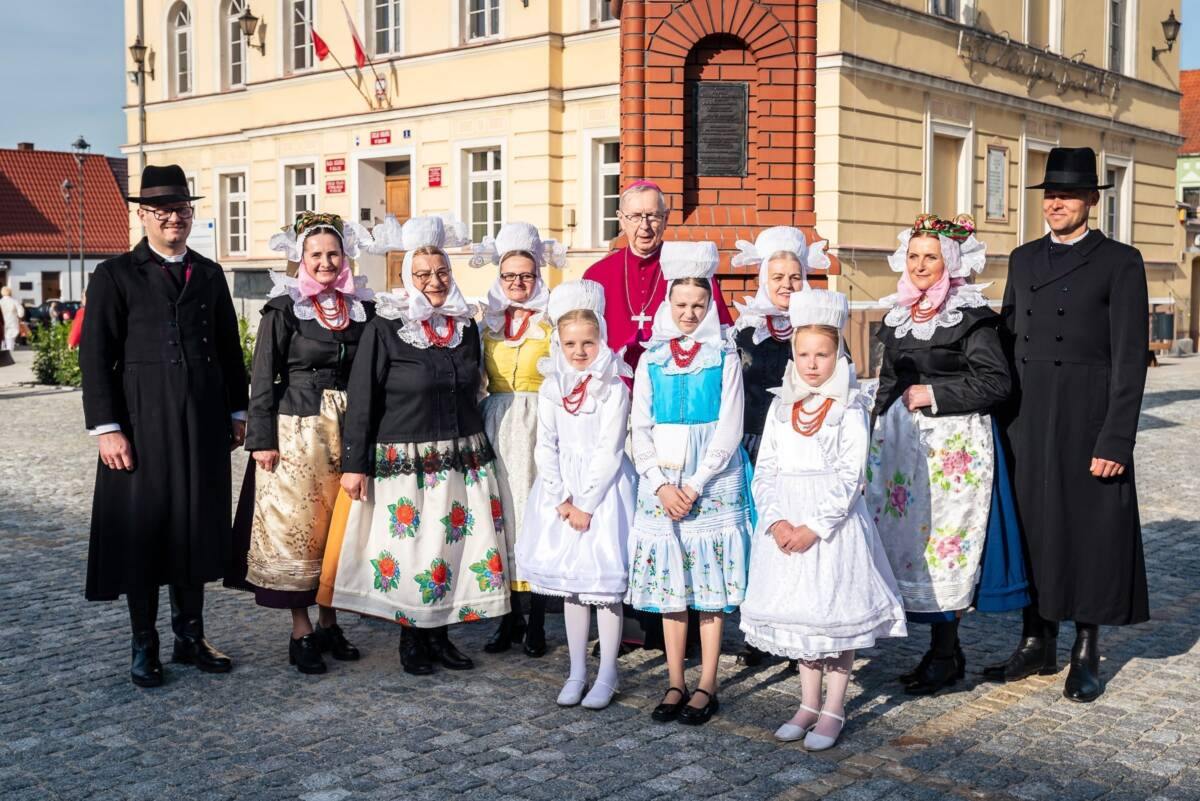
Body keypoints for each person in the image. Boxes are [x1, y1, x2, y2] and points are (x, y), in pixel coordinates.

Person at [991, 147, 1150, 702]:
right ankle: (1036, 640)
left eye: (1067, 195)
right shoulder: (1022, 257)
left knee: (1087, 530)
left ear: (1091, 201)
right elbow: (1006, 337)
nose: (1056, 203)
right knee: (1032, 523)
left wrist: (1117, 437)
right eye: (1050, 195)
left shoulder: (1121, 261)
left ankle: (1086, 647)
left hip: (1088, 410)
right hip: (1028, 413)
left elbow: (1130, 357)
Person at [79, 164, 247, 687]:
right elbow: (95, 356)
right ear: (144, 215)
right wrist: (107, 427)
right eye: (163, 210)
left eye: (182, 209)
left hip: (200, 421)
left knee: (193, 526)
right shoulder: (114, 275)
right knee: (144, 533)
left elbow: (227, 347)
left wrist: (237, 410)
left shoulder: (210, 272)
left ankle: (190, 637)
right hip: (141, 421)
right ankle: (144, 643)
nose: (175, 218)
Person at [333, 214, 510, 675]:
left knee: (450, 550)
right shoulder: (385, 327)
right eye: (423, 274)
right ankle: (413, 639)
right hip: (404, 460)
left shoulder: (465, 327)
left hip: (460, 456)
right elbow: (363, 398)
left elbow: (477, 387)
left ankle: (441, 637)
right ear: (407, 276)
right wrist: (355, 464)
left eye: (442, 272)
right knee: (414, 550)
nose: (434, 281)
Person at [867, 214, 1028, 696]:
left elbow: (997, 383)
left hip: (954, 449)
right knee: (909, 542)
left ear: (949, 263)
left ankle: (944, 652)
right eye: (914, 256)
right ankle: (941, 652)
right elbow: (890, 381)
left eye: (930, 257)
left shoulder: (970, 318)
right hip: (901, 450)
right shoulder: (899, 315)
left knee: (945, 542)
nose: (920, 265)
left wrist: (934, 394)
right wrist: (869, 429)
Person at [739, 287, 906, 751]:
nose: (813, 364)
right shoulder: (781, 405)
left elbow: (850, 475)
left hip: (828, 528)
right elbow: (766, 467)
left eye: (823, 354)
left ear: (838, 354)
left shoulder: (849, 408)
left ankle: (833, 706)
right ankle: (807, 702)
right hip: (785, 520)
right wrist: (775, 521)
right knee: (803, 619)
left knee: (832, 616)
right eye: (804, 354)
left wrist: (813, 526)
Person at [226, 212, 375, 674]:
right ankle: (301, 629)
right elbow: (263, 375)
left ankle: (330, 620)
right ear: (301, 259)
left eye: (334, 253)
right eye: (317, 254)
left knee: (339, 530)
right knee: (300, 531)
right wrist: (261, 438)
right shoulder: (283, 308)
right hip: (298, 430)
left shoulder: (362, 307)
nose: (327, 261)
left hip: (347, 430)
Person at [626, 241, 753, 726]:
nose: (689, 312)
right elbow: (639, 426)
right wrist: (658, 483)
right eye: (680, 304)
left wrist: (696, 483)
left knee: (709, 584)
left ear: (709, 305)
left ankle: (707, 682)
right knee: (672, 582)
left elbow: (729, 426)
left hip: (710, 478)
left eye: (698, 305)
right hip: (662, 478)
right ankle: (675, 679)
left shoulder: (724, 355)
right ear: (668, 304)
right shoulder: (651, 358)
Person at [517, 279, 637, 710]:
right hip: (562, 492)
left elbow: (611, 448)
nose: (580, 352)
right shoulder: (552, 387)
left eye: (588, 342)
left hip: (601, 494)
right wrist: (560, 498)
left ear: (601, 338)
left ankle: (607, 672)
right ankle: (576, 670)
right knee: (571, 588)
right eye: (570, 343)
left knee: (602, 587)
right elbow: (544, 444)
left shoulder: (613, 386)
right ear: (559, 344)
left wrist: (585, 503)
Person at [728, 226, 830, 667]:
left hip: (802, 450)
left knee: (798, 537)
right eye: (778, 277)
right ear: (763, 279)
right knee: (760, 539)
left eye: (794, 277)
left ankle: (798, 631)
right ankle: (761, 630)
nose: (786, 285)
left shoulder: (816, 330)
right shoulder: (744, 331)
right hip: (754, 448)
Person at [471, 222, 565, 658]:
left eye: (526, 276)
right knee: (501, 519)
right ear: (499, 277)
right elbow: (475, 382)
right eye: (510, 276)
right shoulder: (486, 325)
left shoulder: (552, 324)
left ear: (538, 276)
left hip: (538, 424)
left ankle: (538, 622)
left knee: (535, 517)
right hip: (497, 423)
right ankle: (507, 617)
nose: (518, 283)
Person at [583, 181, 732, 374]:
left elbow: (720, 334)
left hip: (672, 381)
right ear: (621, 219)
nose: (644, 226)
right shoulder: (597, 275)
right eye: (635, 216)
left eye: (653, 216)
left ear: (666, 218)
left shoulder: (692, 269)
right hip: (612, 385)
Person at [0, 286, 24, 352]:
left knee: (2, 340)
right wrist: (19, 316)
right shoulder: (14, 301)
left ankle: (2, 356)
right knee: (10, 341)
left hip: (1, 324)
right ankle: (9, 355)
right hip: (12, 322)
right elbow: (21, 313)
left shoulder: (0, 302)